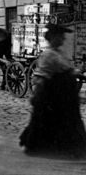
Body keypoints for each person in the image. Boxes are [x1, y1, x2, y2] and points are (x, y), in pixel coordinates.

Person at [20, 23, 86, 158]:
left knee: (68, 121)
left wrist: (76, 73)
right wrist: (39, 96)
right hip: (53, 96)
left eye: (62, 37)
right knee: (53, 121)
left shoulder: (60, 53)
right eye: (60, 37)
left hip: (65, 96)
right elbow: (40, 77)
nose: (62, 40)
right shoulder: (47, 55)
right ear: (53, 38)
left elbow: (67, 69)